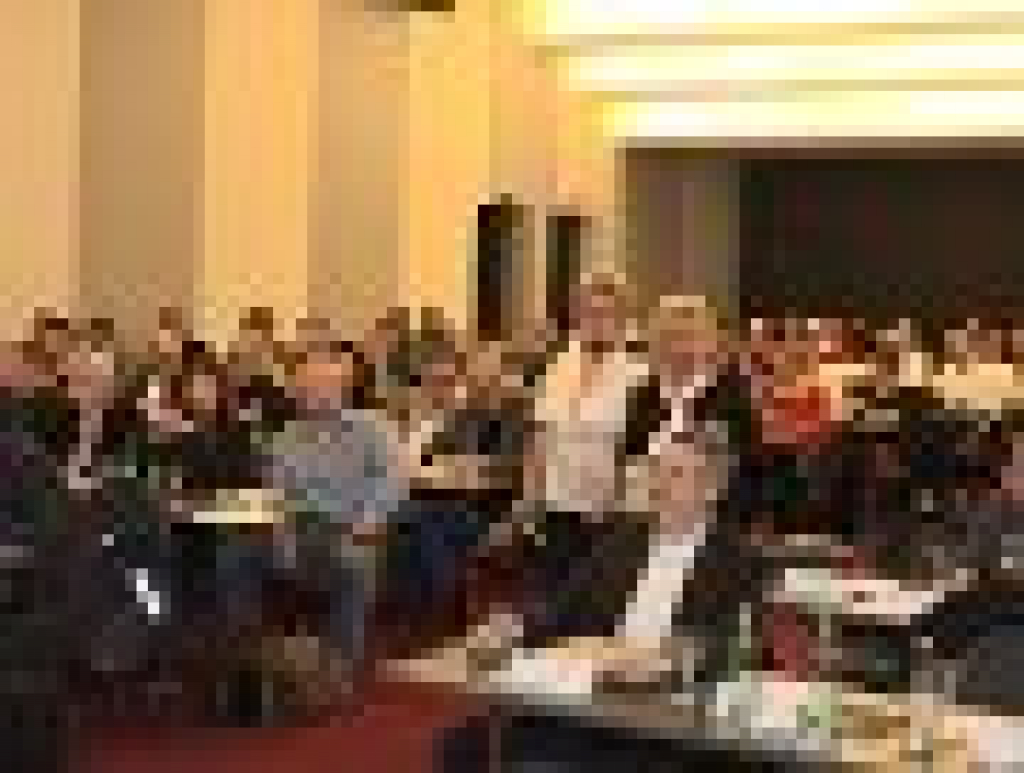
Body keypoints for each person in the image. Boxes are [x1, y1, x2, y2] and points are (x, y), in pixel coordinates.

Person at [270, 339, 405, 694]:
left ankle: (343, 664)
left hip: (351, 527)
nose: (315, 392)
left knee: (353, 563)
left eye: (325, 385)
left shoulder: (373, 429)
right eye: (307, 384)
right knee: (235, 556)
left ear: (343, 387)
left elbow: (393, 481)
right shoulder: (285, 437)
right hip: (301, 528)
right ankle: (253, 655)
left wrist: (368, 522)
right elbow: (279, 495)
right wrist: (282, 534)